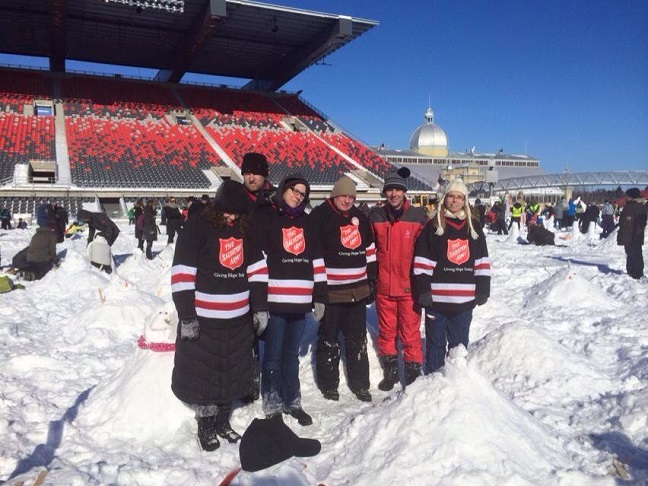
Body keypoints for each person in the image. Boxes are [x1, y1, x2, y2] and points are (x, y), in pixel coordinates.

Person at [170, 180, 268, 451]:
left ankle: (223, 422)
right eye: (228, 212)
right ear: (218, 207)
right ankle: (206, 426)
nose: (232, 217)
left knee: (231, 373)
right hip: (205, 319)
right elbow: (182, 273)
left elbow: (258, 272)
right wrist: (187, 314)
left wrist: (259, 307)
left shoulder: (245, 229)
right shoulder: (198, 225)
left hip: (238, 320)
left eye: (237, 213)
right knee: (205, 375)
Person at [253, 172, 327, 426]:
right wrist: (260, 303)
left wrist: (320, 296)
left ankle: (292, 400)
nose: (298, 197)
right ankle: (272, 401)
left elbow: (317, 260)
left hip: (300, 304)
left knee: (291, 355)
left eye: (303, 195)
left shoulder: (307, 223)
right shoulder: (267, 219)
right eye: (295, 191)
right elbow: (259, 264)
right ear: (283, 189)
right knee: (272, 355)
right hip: (275, 301)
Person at [413, 179, 491, 373]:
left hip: (464, 303)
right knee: (435, 346)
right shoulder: (434, 226)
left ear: (464, 200)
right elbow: (422, 260)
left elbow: (481, 260)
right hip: (437, 302)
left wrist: (482, 288)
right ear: (444, 198)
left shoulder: (474, 227)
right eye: (451, 196)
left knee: (459, 348)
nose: (454, 201)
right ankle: (434, 385)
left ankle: (457, 389)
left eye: (459, 197)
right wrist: (423, 290)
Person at [310, 175, 376, 403]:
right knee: (329, 339)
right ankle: (329, 385)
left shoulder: (360, 217)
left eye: (351, 197)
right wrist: (316, 291)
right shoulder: (320, 216)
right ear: (334, 196)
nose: (347, 200)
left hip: (357, 291)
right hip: (331, 292)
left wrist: (371, 278)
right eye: (343, 196)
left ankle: (361, 384)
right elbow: (313, 254)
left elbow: (370, 249)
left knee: (357, 339)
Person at [369, 167, 427, 390]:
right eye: (389, 190)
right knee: (387, 333)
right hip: (383, 288)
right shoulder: (375, 216)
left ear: (404, 192)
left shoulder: (418, 217)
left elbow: (427, 250)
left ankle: (412, 378)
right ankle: (391, 373)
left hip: (409, 288)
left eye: (397, 190)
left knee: (410, 334)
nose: (393, 194)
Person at [240, 152, 274, 403]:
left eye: (256, 172)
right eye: (247, 172)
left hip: (268, 277)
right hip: (239, 275)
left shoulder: (273, 203)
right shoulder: (235, 200)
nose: (251, 177)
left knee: (265, 330)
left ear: (265, 175)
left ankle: (266, 379)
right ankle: (247, 383)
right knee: (244, 334)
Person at [617, 188, 647, 280]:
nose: (626, 197)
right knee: (629, 253)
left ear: (633, 196)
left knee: (636, 254)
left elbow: (641, 222)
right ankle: (630, 270)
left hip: (635, 236)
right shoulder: (628, 205)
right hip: (627, 235)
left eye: (628, 195)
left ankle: (638, 273)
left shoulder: (639, 206)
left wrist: (637, 234)